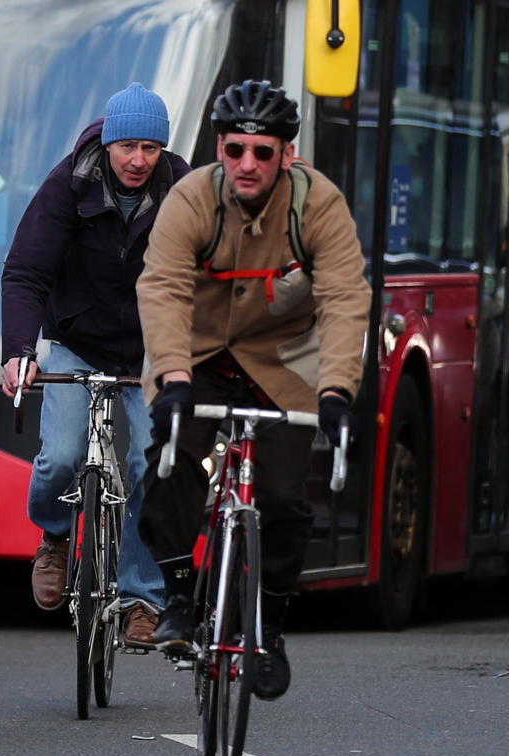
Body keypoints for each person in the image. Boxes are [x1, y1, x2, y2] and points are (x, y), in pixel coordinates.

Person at [137, 79, 369, 699]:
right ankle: (180, 595)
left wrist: (338, 393)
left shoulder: (317, 204)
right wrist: (175, 379)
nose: (247, 164)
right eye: (235, 149)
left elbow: (346, 300)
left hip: (285, 362)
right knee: (170, 458)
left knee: (284, 499)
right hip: (199, 353)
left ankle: (269, 626)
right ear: (220, 147)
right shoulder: (190, 198)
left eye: (263, 153)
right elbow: (162, 288)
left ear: (286, 156)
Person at [1, 82, 192, 647]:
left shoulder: (184, 190)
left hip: (152, 345)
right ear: (108, 143)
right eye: (127, 146)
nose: (138, 160)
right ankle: (55, 537)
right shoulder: (69, 184)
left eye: (150, 149)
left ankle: (141, 596)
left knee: (147, 464)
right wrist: (18, 350)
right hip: (75, 339)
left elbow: (205, 277)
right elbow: (26, 272)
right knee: (60, 455)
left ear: (163, 151)